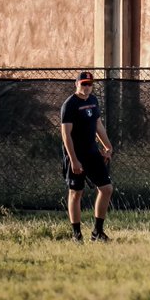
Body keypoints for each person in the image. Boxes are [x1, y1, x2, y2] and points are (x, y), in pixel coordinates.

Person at [60, 71, 114, 243]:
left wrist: (107, 146)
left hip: (93, 152)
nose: (87, 87)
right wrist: (74, 160)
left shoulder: (93, 100)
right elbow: (66, 135)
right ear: (76, 84)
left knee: (106, 189)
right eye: (83, 84)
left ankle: (97, 232)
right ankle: (77, 235)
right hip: (76, 155)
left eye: (89, 84)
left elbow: (98, 125)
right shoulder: (70, 104)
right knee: (76, 193)